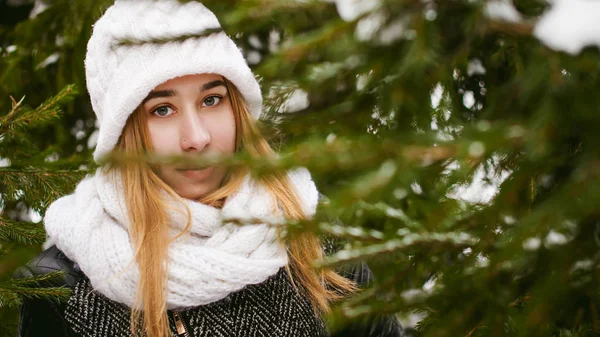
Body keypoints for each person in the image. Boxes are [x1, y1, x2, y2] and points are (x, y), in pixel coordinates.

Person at [15, 1, 406, 336]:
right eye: (162, 110)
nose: (197, 138)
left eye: (212, 99)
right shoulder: (64, 287)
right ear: (125, 134)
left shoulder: (304, 227)